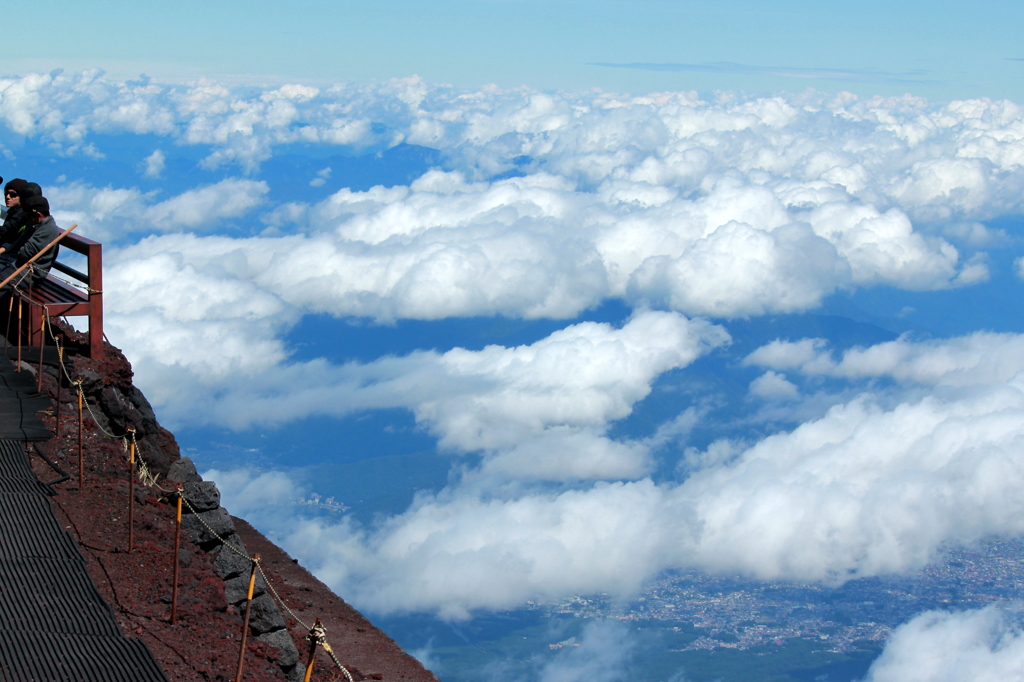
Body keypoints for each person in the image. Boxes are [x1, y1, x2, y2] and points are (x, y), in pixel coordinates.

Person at [0, 195, 60, 291]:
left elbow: (24, 252)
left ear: (38, 215)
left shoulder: (47, 230)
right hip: (18, 267)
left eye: (28, 216)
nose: (27, 219)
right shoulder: (36, 225)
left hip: (28, 274)